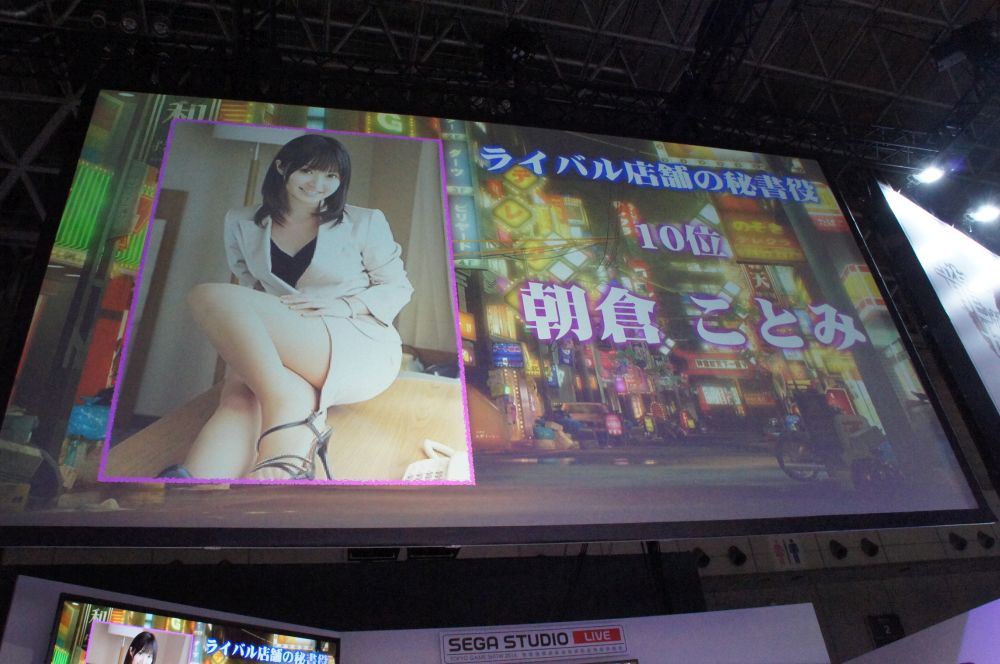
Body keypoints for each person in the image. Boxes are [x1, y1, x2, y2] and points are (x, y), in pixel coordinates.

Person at [163, 133, 413, 480]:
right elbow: (251, 283)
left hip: (357, 340)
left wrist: (344, 306)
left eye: (330, 176)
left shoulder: (364, 222)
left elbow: (397, 287)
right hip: (290, 336)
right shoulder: (241, 221)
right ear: (282, 167)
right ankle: (198, 485)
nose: (318, 184)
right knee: (239, 398)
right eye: (308, 171)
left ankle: (284, 401)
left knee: (209, 296)